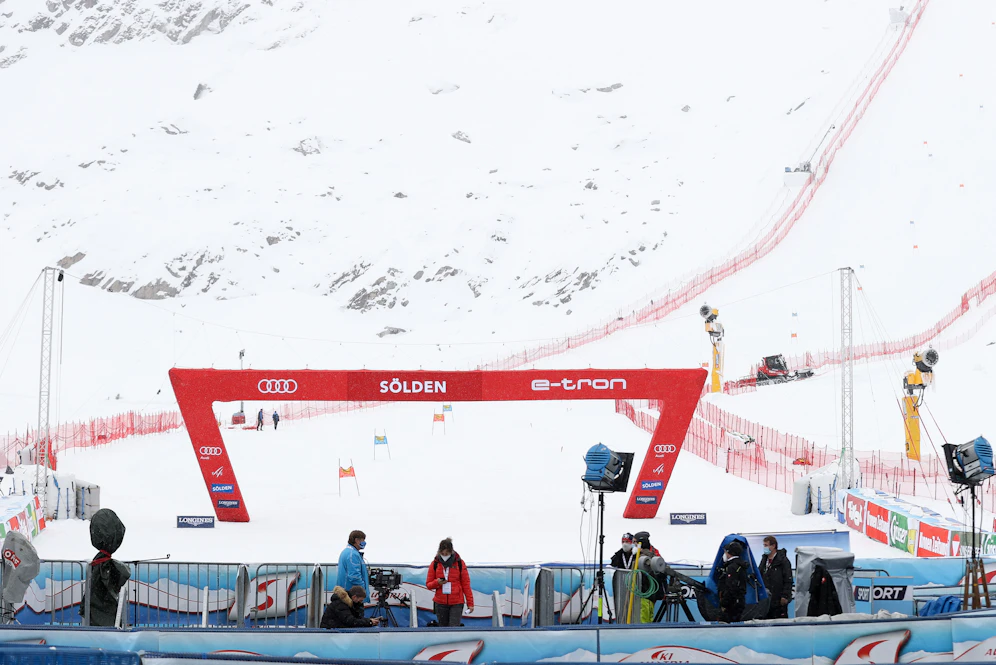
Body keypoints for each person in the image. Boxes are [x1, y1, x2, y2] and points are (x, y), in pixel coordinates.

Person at [426, 537, 474, 626]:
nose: (444, 555)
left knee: (454, 628)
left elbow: (466, 584)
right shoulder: (435, 563)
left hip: (457, 602)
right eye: (442, 553)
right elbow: (429, 585)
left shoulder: (460, 563)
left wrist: (470, 603)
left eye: (446, 553)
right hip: (440, 603)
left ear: (451, 552)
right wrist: (437, 582)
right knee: (443, 629)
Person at [759, 535, 793, 619]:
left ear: (773, 546)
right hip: (766, 599)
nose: (764, 547)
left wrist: (785, 596)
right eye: (764, 545)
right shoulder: (764, 560)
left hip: (778, 599)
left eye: (766, 545)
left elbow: (788, 579)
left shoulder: (783, 561)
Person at [716, 541, 748, 623]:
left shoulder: (732, 567)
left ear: (729, 553)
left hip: (732, 605)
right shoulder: (740, 565)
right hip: (739, 602)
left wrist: (724, 604)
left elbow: (731, 587)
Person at [337, 530, 369, 600]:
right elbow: (354, 576)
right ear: (357, 540)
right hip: (352, 595)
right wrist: (363, 590)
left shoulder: (347, 552)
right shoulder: (352, 554)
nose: (364, 542)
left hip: (346, 592)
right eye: (362, 540)